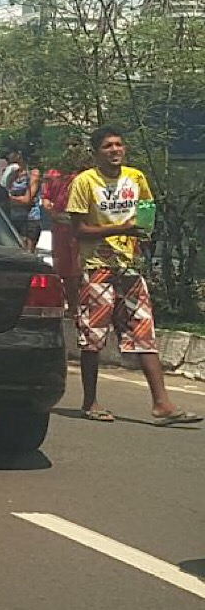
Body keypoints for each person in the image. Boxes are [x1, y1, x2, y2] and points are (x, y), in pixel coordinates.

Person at [66, 126, 200, 427]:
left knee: (143, 331)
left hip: (130, 266)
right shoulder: (84, 182)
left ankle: (162, 403)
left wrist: (143, 234)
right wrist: (119, 230)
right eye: (108, 146)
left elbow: (146, 215)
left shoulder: (135, 178)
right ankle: (90, 401)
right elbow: (77, 229)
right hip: (97, 266)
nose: (115, 150)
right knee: (93, 337)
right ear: (96, 152)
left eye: (119, 145)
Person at [42, 140, 87, 316]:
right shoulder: (55, 175)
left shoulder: (85, 176)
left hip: (78, 228)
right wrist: (50, 208)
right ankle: (72, 306)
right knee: (64, 270)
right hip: (60, 229)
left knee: (79, 269)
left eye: (75, 145)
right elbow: (46, 197)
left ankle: (82, 306)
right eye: (68, 146)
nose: (70, 149)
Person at [2, 144, 42, 250]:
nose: (8, 156)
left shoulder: (33, 174)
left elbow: (27, 200)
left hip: (30, 220)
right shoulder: (13, 174)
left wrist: (11, 198)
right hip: (15, 218)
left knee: (28, 252)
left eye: (10, 153)